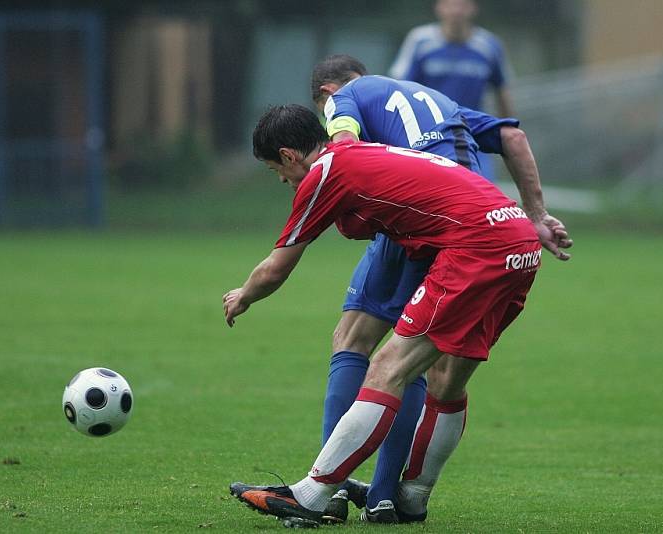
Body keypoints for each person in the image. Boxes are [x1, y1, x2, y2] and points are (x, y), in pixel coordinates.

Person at [225, 104, 572, 526]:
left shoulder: (325, 171)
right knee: (446, 381)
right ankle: (411, 497)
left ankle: (312, 495)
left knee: (388, 368)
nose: (281, 180)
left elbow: (278, 266)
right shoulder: (363, 153)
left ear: (289, 155)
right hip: (517, 239)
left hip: (479, 247)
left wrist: (244, 294)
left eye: (275, 170)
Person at [308, 54, 569, 524]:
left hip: (428, 221)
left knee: (359, 341)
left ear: (327, 93)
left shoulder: (342, 99)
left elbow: (342, 146)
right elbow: (512, 135)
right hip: (490, 227)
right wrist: (536, 214)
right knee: (434, 367)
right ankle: (393, 496)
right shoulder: (436, 100)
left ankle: (328, 493)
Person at [389, 0, 514, 180]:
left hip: (474, 134)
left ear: (473, 9)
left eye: (462, 5)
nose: (456, 11)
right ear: (439, 8)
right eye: (450, 4)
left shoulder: (489, 45)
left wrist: (506, 136)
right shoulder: (420, 41)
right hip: (429, 134)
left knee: (483, 193)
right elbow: (399, 88)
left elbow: (503, 90)